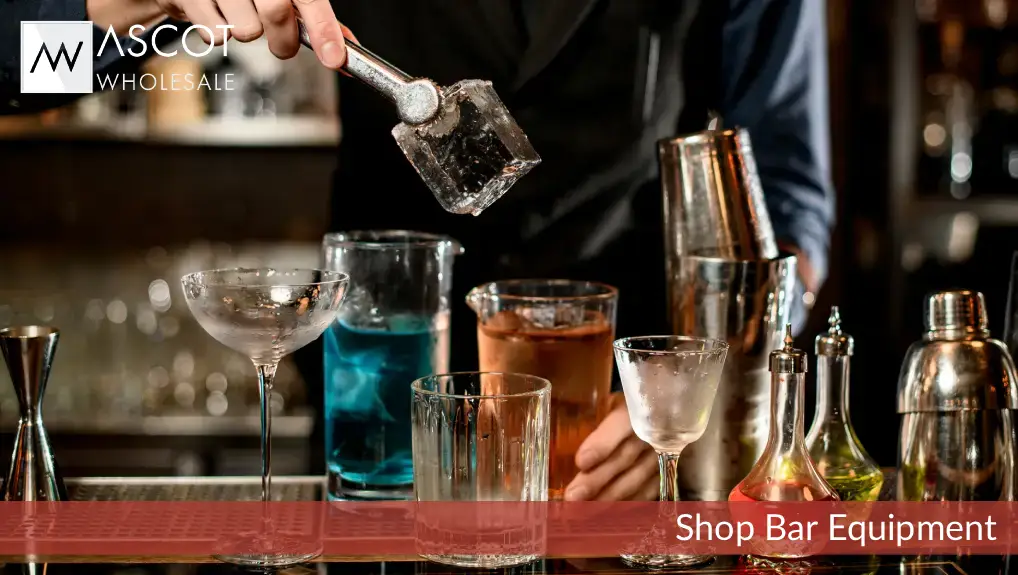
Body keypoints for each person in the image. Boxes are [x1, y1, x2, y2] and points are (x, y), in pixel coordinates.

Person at [0, 0, 834, 502]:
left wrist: (704, 382)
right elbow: (35, 63)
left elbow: (794, 192)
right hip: (382, 421)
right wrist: (140, 5)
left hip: (617, 439)